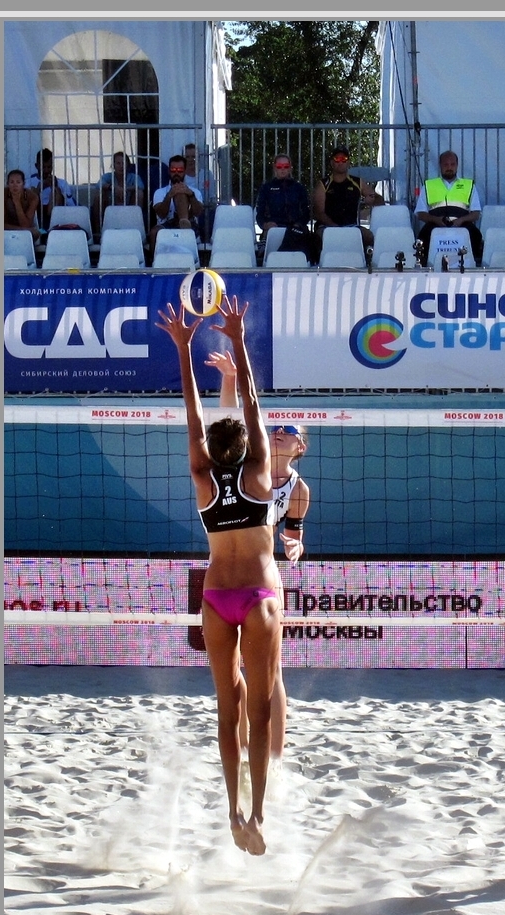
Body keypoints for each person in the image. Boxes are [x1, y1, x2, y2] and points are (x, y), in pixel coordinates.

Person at [156, 297, 282, 856]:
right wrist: (236, 340)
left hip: (215, 599)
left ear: (211, 449)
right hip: (258, 598)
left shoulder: (203, 478)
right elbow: (252, 402)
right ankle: (257, 814)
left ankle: (232, 809)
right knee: (259, 708)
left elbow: (192, 412)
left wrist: (184, 350)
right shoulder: (260, 476)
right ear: (249, 449)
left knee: (226, 709)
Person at [209, 351, 310, 759]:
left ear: (301, 446)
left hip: (265, 578)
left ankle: (274, 756)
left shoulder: (299, 490)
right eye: (277, 427)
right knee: (231, 675)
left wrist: (296, 545)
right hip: (229, 568)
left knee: (271, 674)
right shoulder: (253, 465)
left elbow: (295, 532)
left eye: (289, 430)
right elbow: (228, 420)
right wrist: (231, 377)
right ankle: (244, 748)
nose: (279, 431)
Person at [414, 150, 482, 264]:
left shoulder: (469, 185)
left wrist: (461, 220)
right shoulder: (429, 185)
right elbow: (420, 213)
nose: (449, 167)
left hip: (462, 224)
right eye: (446, 164)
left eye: (452, 164)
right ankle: (427, 265)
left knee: (475, 235)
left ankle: (472, 264)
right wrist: (435, 220)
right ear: (440, 165)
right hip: (435, 224)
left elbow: (476, 213)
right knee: (423, 236)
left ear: (457, 165)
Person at [313, 144, 381, 254]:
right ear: (332, 163)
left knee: (369, 236)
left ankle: (368, 263)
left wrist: (370, 202)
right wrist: (336, 228)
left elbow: (378, 199)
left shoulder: (358, 182)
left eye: (344, 159)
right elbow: (318, 212)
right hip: (327, 227)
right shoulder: (323, 184)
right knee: (318, 237)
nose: (340, 162)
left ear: (348, 162)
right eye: (337, 159)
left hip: (351, 226)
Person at [254, 153, 314, 263]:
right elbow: (260, 213)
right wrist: (265, 224)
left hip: (295, 228)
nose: (283, 170)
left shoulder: (298, 188)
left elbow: (306, 212)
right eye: (279, 167)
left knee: (300, 234)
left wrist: (299, 224)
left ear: (290, 168)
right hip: (273, 228)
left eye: (286, 167)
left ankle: (283, 256)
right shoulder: (266, 188)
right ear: (274, 168)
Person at [150, 154, 204, 256]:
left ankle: (184, 223)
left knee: (181, 194)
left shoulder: (194, 192)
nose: (176, 173)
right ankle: (154, 264)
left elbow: (198, 212)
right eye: (173, 170)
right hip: (167, 224)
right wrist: (170, 195)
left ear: (185, 171)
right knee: (154, 232)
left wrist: (190, 195)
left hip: (190, 225)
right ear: (169, 171)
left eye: (179, 170)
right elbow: (161, 214)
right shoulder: (160, 192)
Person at [28, 149, 77, 231]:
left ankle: (51, 227)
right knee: (33, 191)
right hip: (36, 213)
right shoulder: (28, 182)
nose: (47, 170)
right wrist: (41, 187)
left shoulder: (62, 183)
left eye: (49, 167)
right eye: (43, 167)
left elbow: (72, 206)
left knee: (56, 192)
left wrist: (56, 187)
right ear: (36, 166)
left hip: (56, 213)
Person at [96, 152, 145, 229]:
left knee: (139, 193)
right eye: (118, 163)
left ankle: (136, 228)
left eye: (123, 163)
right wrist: (114, 188)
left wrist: (124, 189)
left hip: (129, 206)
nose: (121, 166)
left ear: (128, 165)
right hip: (110, 207)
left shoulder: (133, 177)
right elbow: (99, 184)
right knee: (99, 194)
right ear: (113, 165)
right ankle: (98, 230)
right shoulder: (108, 176)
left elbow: (141, 186)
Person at [4, 169, 40, 234]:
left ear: (23, 184)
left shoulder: (33, 197)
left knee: (35, 233)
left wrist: (17, 202)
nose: (15, 185)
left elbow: (26, 225)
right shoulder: (3, 194)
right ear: (7, 184)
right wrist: (22, 229)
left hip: (25, 230)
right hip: (7, 230)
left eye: (18, 182)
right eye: (12, 182)